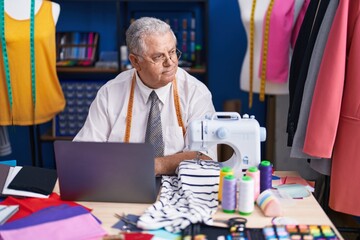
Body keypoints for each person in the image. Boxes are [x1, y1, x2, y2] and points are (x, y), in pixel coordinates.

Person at [74, 17, 217, 175]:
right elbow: (83, 152)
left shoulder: (195, 92)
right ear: (135, 62)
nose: (170, 62)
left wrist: (154, 166)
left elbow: (205, 156)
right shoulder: (110, 93)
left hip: (179, 184)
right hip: (122, 181)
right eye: (158, 57)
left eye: (172, 52)